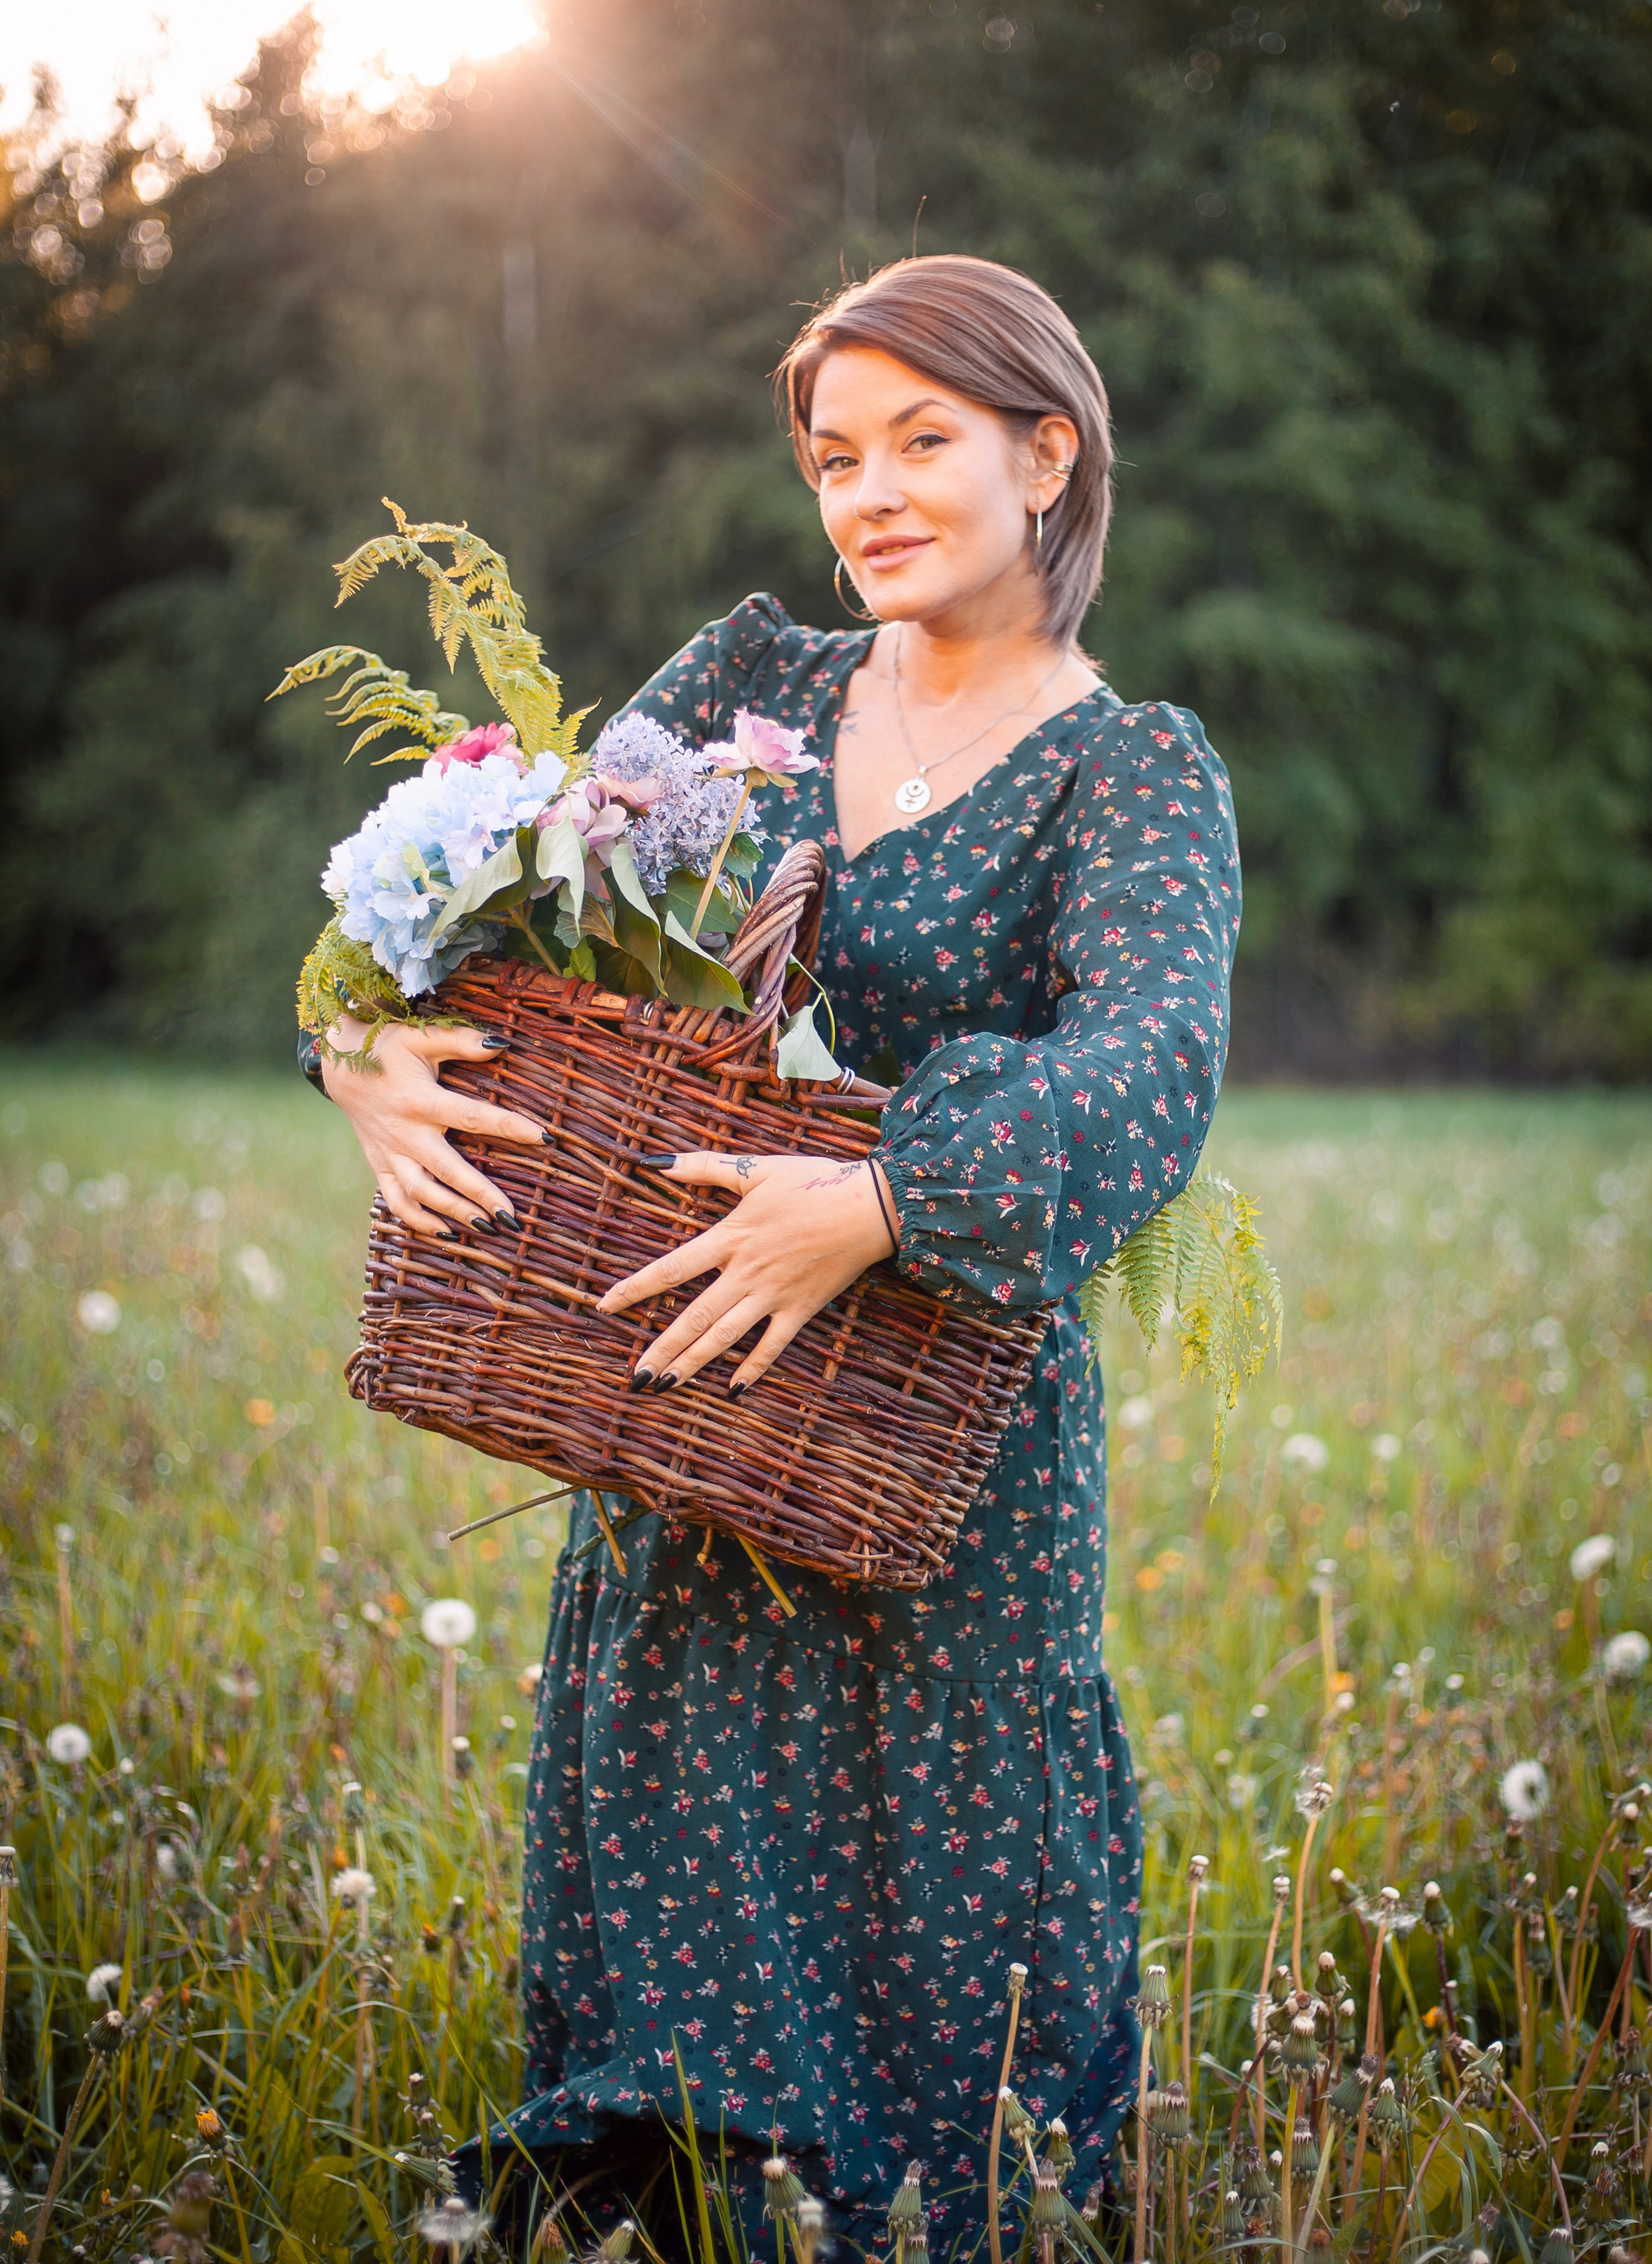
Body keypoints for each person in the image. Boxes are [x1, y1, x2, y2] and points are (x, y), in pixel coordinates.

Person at [311, 254, 1240, 2251]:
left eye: (925, 440)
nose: (872, 493)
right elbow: (510, 888)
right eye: (837, 457)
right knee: (680, 1777)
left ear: (1047, 453)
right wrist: (358, 1045)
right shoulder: (760, 686)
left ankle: (929, 2195)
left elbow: (1152, 1073)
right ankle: (671, 2165)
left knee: (951, 1827)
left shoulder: (1132, 768)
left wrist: (886, 1200)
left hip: (940, 1422)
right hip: (684, 1365)